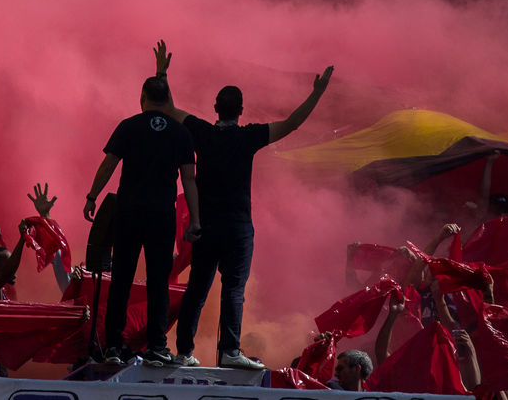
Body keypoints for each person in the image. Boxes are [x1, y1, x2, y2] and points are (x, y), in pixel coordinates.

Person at [157, 39, 333, 369]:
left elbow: (168, 109)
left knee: (197, 289)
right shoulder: (249, 135)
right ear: (240, 110)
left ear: (215, 108)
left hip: (205, 224)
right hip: (237, 227)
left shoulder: (202, 132)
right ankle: (229, 351)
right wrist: (317, 93)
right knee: (233, 289)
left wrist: (162, 74)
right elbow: (292, 123)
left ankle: (183, 352)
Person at [84, 60, 201, 367]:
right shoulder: (180, 133)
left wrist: (92, 196)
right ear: (167, 99)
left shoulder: (129, 126)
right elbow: (189, 178)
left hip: (129, 212)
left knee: (121, 278)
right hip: (161, 215)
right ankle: (158, 346)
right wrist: (196, 219)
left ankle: (113, 345)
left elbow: (109, 164)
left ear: (142, 98)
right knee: (158, 282)